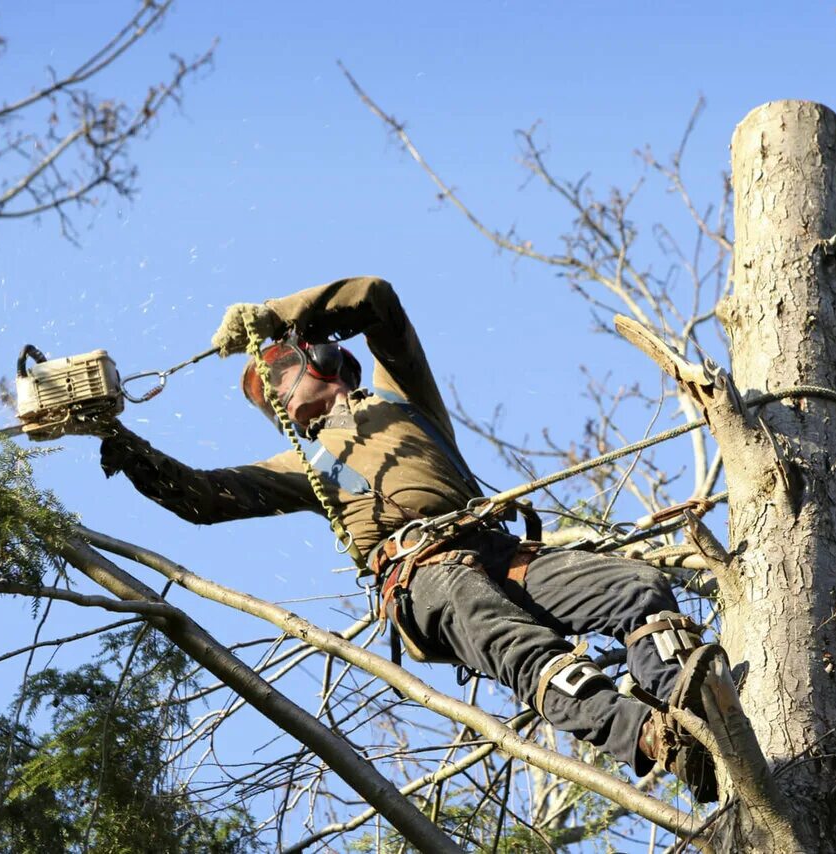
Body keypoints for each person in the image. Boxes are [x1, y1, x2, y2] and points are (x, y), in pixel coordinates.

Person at [87, 276, 721, 801]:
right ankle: (654, 740)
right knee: (523, 647)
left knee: (636, 589)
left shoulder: (401, 397)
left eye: (278, 375)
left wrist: (274, 314)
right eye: (268, 395)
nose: (278, 399)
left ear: (322, 357)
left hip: (500, 550)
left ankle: (697, 710)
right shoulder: (308, 469)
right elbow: (204, 496)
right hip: (424, 575)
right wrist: (121, 442)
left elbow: (377, 302)